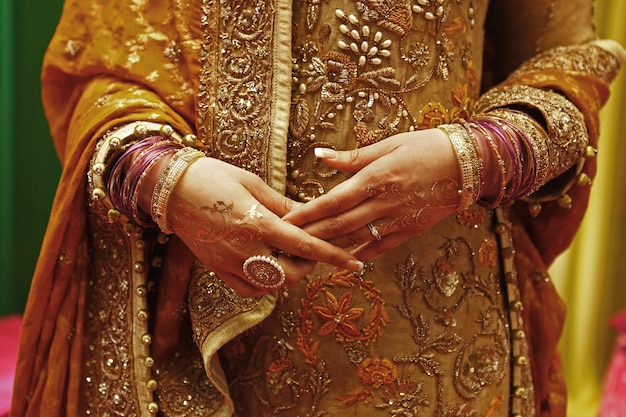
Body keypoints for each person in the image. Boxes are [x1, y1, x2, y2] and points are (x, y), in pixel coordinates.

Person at [10, 0, 625, 416]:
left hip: (442, 338)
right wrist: (164, 179)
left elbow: (568, 64)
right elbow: (103, 63)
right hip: (200, 331)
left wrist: (476, 156)